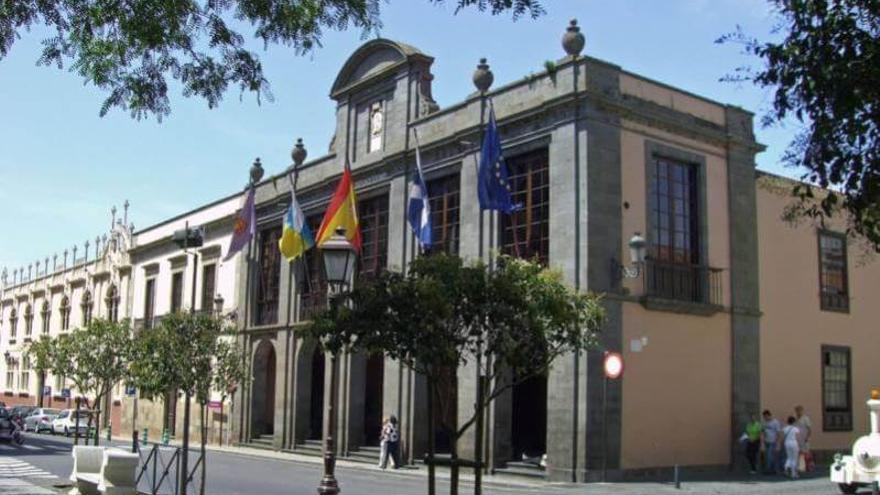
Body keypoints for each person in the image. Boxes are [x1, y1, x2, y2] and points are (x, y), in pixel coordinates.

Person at [761, 410, 782, 474]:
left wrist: (778, 443)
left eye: (766, 417)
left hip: (773, 442)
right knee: (768, 456)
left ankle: (769, 470)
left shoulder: (775, 422)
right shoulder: (764, 423)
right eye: (764, 417)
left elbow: (778, 433)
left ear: (769, 415)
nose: (765, 418)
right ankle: (774, 469)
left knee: (770, 456)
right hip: (766, 441)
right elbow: (763, 432)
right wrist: (762, 443)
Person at [794, 405, 813, 471]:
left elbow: (809, 429)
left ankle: (809, 466)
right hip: (797, 439)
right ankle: (801, 467)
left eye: (799, 410)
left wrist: (807, 437)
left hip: (804, 438)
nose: (798, 412)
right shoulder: (795, 419)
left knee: (806, 453)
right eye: (797, 411)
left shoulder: (805, 418)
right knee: (799, 453)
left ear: (802, 411)